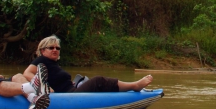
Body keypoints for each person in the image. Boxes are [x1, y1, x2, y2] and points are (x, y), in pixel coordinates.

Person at [23, 35, 153, 99]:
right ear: (42, 50)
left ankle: (126, 89)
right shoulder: (41, 60)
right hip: (66, 96)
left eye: (57, 48)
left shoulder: (52, 64)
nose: (55, 50)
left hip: (70, 90)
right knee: (98, 80)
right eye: (51, 48)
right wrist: (44, 86)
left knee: (91, 82)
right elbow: (27, 73)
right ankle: (134, 86)